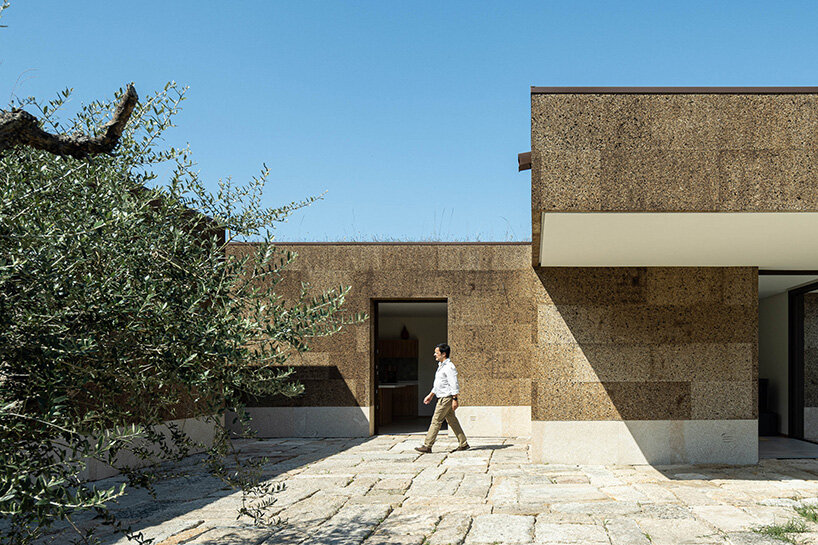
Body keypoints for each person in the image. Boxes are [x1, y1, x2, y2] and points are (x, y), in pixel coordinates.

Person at [415, 343, 469, 453]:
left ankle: (427, 445)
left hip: (446, 398)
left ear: (443, 354)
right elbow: (438, 384)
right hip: (443, 397)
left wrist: (455, 399)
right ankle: (463, 443)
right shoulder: (441, 366)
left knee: (436, 421)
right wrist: (430, 395)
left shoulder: (449, 367)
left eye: (437, 353)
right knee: (452, 421)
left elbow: (454, 384)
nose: (434, 354)